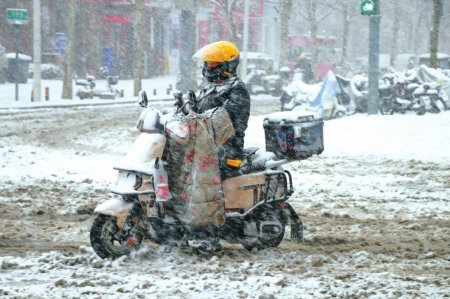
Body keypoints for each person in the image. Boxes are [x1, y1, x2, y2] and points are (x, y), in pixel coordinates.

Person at [191, 40, 251, 180]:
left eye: (213, 63)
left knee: (212, 189)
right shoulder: (209, 86)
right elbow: (200, 113)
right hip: (205, 147)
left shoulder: (236, 89)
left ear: (228, 65)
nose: (208, 67)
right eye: (207, 63)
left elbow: (229, 123)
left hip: (226, 152)